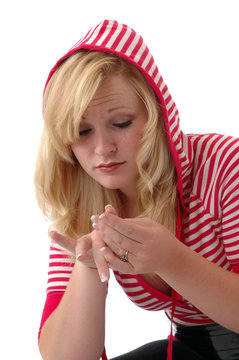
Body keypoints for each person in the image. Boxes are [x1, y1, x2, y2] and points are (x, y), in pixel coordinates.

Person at [35, 20, 239, 360]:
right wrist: (87, 269)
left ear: (158, 113)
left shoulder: (224, 164)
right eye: (82, 131)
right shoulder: (82, 204)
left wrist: (172, 259)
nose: (103, 148)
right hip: (194, 349)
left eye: (121, 123)